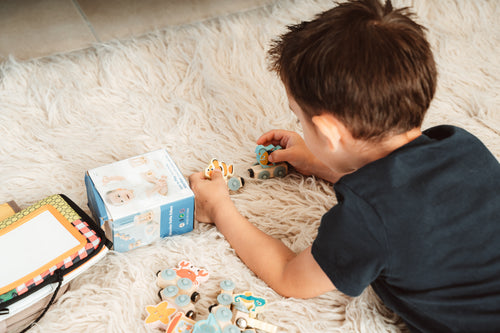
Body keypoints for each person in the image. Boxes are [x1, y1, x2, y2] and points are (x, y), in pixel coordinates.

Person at [189, 0, 500, 331]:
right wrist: (320, 162)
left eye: (300, 118)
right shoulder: (460, 143)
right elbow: (415, 197)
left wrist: (220, 208)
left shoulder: (364, 220)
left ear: (329, 132)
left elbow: (289, 276)